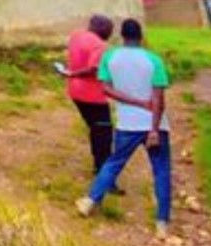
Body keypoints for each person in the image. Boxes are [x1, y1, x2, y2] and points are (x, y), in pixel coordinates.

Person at [76, 18, 173, 240]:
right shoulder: (153, 60)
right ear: (141, 36)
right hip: (155, 124)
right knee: (161, 172)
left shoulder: (111, 57)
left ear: (122, 36)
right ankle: (161, 224)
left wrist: (134, 102)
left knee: (113, 163)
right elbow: (158, 99)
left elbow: (107, 90)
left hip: (126, 125)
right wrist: (154, 129)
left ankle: (90, 201)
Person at [63, 14, 122, 192]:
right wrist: (74, 73)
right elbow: (93, 69)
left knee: (96, 130)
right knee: (103, 134)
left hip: (75, 92)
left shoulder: (76, 36)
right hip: (93, 96)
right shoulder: (100, 46)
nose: (110, 34)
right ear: (103, 29)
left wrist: (71, 74)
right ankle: (105, 178)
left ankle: (99, 165)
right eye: (109, 30)